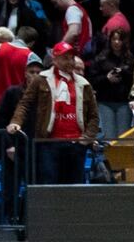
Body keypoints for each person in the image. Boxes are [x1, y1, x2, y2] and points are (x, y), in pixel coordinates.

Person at [8, 40, 99, 184]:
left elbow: (94, 115)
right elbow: (25, 103)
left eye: (71, 57)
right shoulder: (41, 80)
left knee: (74, 187)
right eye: (65, 57)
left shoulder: (83, 84)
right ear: (55, 59)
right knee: (48, 185)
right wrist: (15, 122)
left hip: (76, 144)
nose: (69, 61)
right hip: (49, 143)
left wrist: (87, 138)